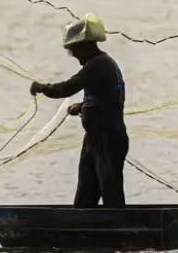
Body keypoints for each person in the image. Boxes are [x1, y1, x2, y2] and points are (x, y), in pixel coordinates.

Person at [29, 13, 129, 207]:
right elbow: (106, 98)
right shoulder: (98, 65)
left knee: (111, 194)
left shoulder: (99, 64)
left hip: (109, 139)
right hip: (94, 139)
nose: (73, 55)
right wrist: (83, 106)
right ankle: (83, 224)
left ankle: (119, 228)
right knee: (85, 194)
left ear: (85, 45)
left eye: (73, 50)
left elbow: (68, 87)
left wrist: (42, 88)